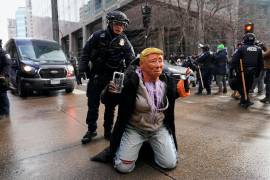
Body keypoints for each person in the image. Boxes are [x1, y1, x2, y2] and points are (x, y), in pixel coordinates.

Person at [91, 47, 190, 173]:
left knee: (169, 164)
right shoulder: (130, 81)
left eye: (160, 60)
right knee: (123, 168)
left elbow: (175, 94)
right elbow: (107, 101)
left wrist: (185, 81)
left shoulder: (166, 80)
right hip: (135, 129)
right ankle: (135, 148)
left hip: (158, 128)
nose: (159, 65)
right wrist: (110, 91)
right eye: (153, 61)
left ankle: (148, 146)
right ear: (141, 65)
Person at [79, 10, 135, 144]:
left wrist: (130, 77)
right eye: (116, 24)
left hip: (114, 78)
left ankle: (108, 131)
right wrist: (81, 68)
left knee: (110, 106)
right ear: (110, 23)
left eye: (122, 25)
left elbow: (131, 61)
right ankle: (91, 129)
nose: (119, 27)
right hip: (97, 75)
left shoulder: (125, 41)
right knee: (93, 105)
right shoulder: (98, 36)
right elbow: (85, 52)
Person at [230, 33, 264, 108]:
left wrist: (232, 71)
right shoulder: (258, 49)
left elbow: (234, 61)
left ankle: (245, 100)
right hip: (253, 72)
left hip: (242, 71)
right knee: (247, 86)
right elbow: (261, 63)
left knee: (237, 85)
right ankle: (244, 100)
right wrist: (258, 73)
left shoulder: (241, 48)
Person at [0, 39, 11, 120]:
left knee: (2, 95)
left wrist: (3, 75)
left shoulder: (4, 53)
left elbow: (8, 65)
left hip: (2, 78)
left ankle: (5, 113)